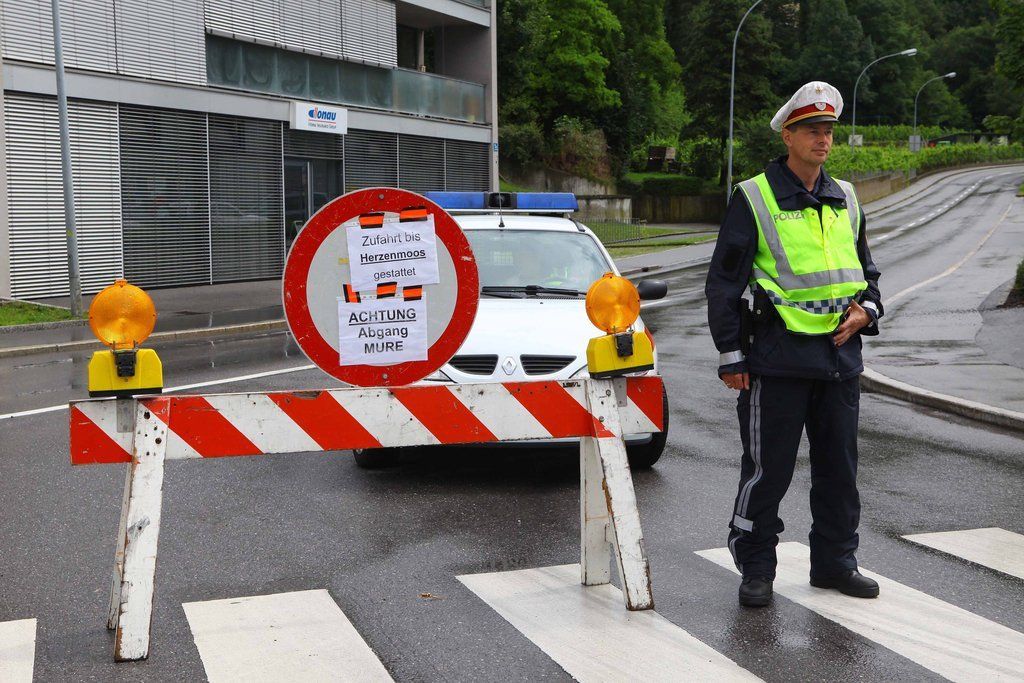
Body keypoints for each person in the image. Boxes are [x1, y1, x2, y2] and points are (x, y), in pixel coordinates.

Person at [704, 82, 884, 607]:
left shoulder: (846, 197)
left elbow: (867, 273)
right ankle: (756, 566)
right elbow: (724, 283)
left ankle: (835, 563)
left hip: (839, 361)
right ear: (788, 135)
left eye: (828, 131)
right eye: (811, 130)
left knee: (839, 473)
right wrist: (732, 356)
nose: (822, 139)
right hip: (776, 362)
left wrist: (867, 311)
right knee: (768, 474)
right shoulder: (754, 196)